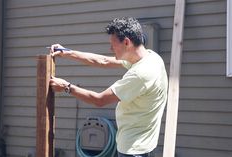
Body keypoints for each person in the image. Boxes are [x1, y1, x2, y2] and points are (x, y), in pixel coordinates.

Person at [50, 17, 168, 157]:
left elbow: (99, 100)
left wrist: (66, 87)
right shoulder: (151, 57)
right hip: (144, 144)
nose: (110, 48)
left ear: (126, 42)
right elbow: (104, 61)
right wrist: (68, 52)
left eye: (113, 44)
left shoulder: (141, 74)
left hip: (133, 150)